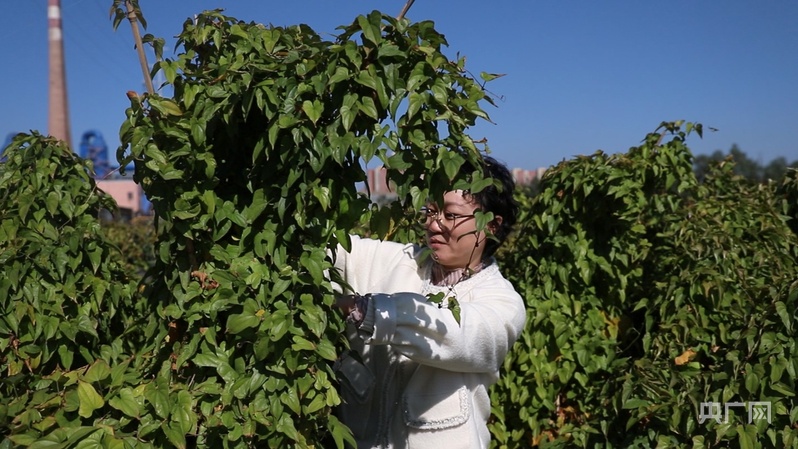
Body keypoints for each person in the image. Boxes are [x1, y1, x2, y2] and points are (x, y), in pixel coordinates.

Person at [332, 156, 526, 448]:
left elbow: (459, 332)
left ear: (492, 226)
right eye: (431, 211)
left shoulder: (502, 302)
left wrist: (366, 311)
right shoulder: (400, 261)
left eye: (450, 215)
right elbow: (335, 253)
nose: (434, 225)